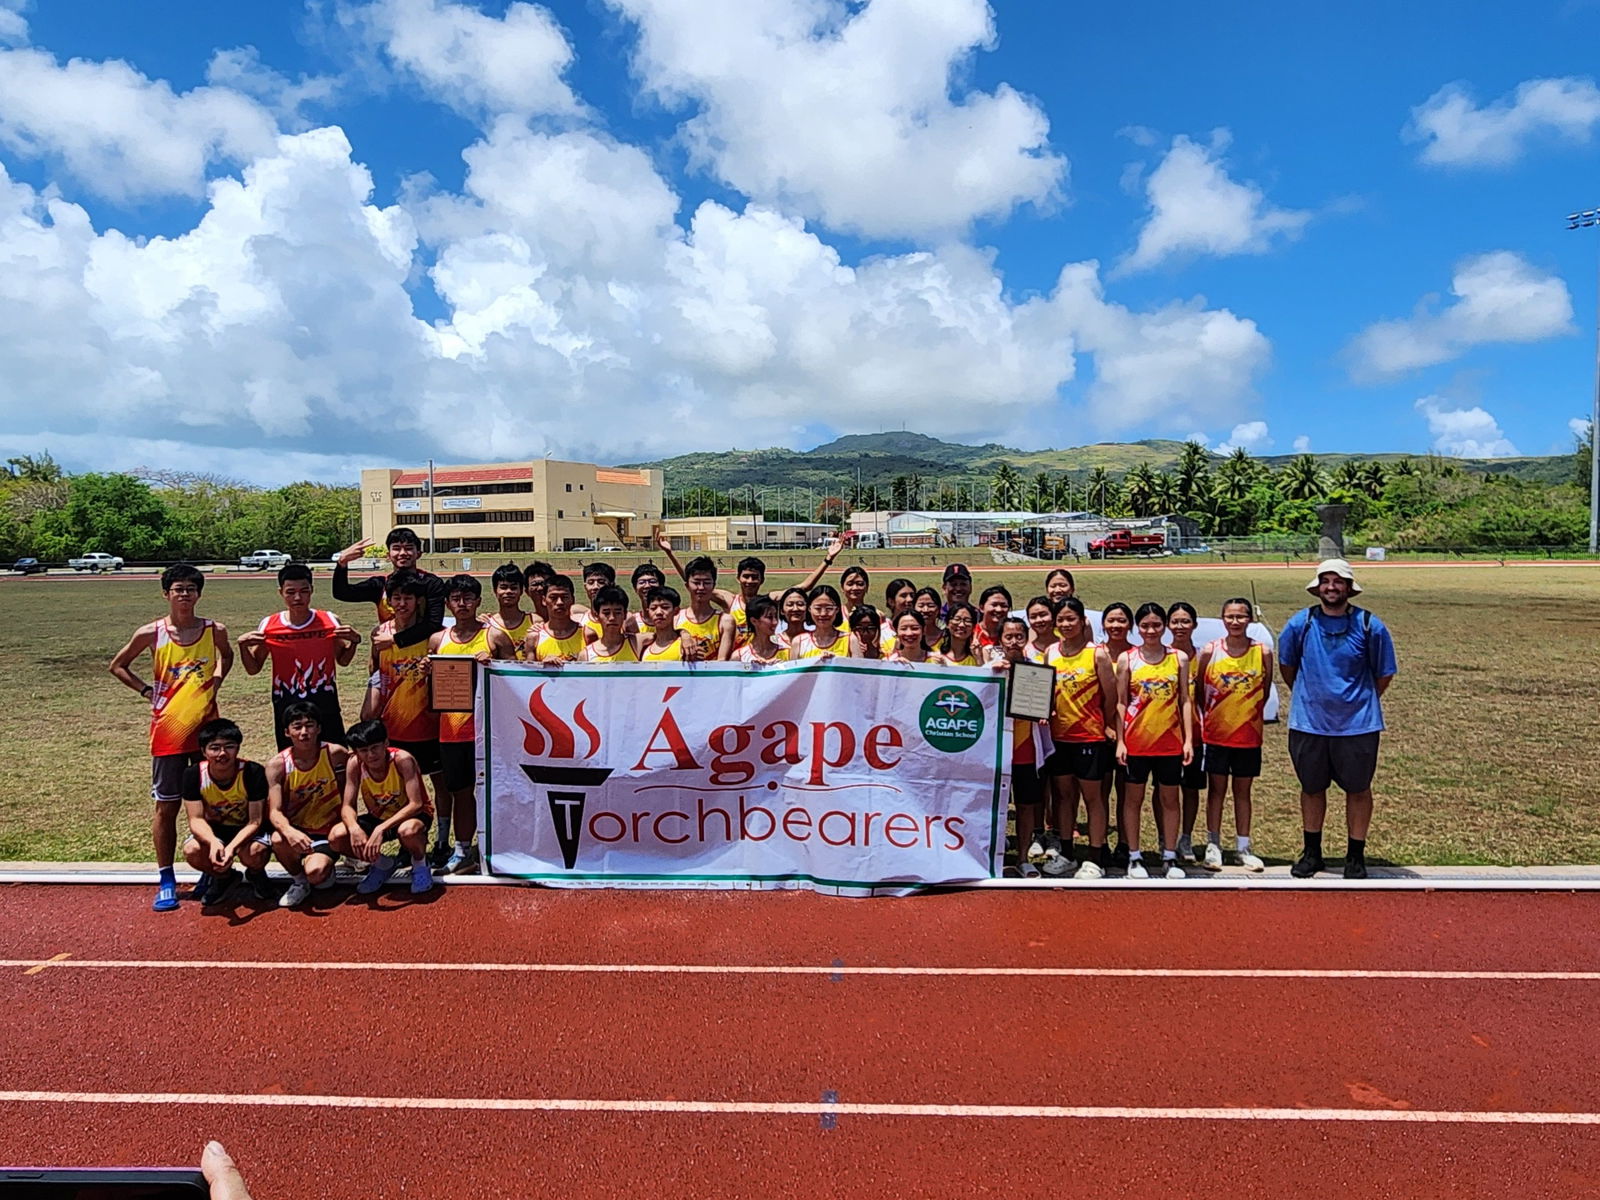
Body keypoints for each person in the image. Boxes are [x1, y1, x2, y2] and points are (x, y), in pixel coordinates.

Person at [109, 563, 234, 913]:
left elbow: (227, 656)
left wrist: (218, 680)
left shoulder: (214, 630)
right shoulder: (152, 633)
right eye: (178, 589)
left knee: (211, 804)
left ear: (199, 593)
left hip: (209, 732)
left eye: (191, 589)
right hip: (168, 733)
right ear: (166, 593)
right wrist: (148, 691)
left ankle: (212, 871)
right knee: (167, 806)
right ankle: (166, 878)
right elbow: (118, 665)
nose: (184, 594)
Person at [1277, 559, 1397, 880]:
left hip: (1358, 725)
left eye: (1338, 581)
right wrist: (1311, 697)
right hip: (1309, 723)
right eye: (1326, 581)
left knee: (1358, 789)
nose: (1332, 587)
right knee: (1312, 788)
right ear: (1317, 587)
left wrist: (1358, 702)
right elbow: (1288, 667)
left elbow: (1383, 673)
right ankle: (1312, 851)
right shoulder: (1299, 624)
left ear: (1349, 588)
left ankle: (1355, 855)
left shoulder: (1371, 625)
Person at [430, 574, 516, 875]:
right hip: (452, 731)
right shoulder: (438, 640)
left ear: (479, 601)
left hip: (489, 732)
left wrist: (496, 664)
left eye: (468, 598)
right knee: (461, 792)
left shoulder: (494, 637)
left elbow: (517, 681)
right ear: (448, 603)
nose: (463, 604)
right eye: (456, 599)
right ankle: (463, 849)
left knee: (498, 791)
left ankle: (502, 847)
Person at [362, 573, 448, 867]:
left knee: (441, 784)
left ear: (418, 601)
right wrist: (370, 707)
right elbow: (374, 671)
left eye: (407, 598)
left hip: (427, 723)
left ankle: (442, 840)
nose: (401, 604)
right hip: (393, 725)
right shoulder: (379, 633)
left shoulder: (432, 635)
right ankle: (405, 845)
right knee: (402, 787)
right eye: (395, 598)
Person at [238, 563, 360, 748]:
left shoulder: (329, 620)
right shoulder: (269, 624)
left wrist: (354, 643)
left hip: (324, 701)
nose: (297, 597)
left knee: (335, 754)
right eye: (290, 592)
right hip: (286, 701)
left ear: (312, 590)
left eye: (304, 591)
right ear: (281, 592)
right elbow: (254, 668)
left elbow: (343, 660)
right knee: (291, 757)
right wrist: (242, 646)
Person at [1115, 603, 1195, 880]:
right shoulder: (1128, 659)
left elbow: (1185, 700)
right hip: (1137, 742)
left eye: (1156, 625)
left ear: (1164, 626)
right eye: (1145, 626)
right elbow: (1122, 703)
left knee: (1170, 799)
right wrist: (1121, 742)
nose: (1151, 631)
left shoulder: (1179, 658)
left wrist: (1188, 741)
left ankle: (1170, 856)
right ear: (1138, 628)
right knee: (1133, 800)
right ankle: (1134, 856)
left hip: (1170, 743)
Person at [1192, 598, 1272, 872]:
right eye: (1230, 617)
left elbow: (1265, 687)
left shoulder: (1262, 652)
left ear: (1249, 619)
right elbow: (1200, 693)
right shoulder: (1210, 651)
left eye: (1241, 616)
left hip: (1248, 736)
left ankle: (1242, 847)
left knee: (1243, 792)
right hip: (1216, 735)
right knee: (1216, 791)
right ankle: (1213, 845)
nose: (1235, 622)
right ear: (1222, 619)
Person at [1043, 598, 1119, 879]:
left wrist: (1107, 724)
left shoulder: (1096, 654)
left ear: (1082, 621)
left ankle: (1095, 857)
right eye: (1060, 620)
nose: (1065, 624)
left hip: (1089, 737)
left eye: (1071, 619)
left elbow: (1111, 696)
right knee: (1064, 797)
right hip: (1059, 736)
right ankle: (1067, 853)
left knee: (1093, 797)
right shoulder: (1051, 652)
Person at [333, 719, 435, 895]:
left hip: (411, 816)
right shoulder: (354, 764)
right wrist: (354, 827)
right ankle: (382, 865)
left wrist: (381, 829)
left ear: (386, 743)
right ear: (356, 752)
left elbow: (416, 804)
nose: (371, 755)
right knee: (337, 836)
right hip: (379, 817)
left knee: (408, 831)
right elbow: (347, 806)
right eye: (363, 751)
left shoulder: (402, 760)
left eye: (375, 748)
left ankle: (420, 863)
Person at [180, 718, 272, 906]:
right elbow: (196, 819)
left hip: (247, 830)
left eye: (229, 746)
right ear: (204, 751)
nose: (222, 753)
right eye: (215, 748)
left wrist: (231, 848)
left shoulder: (252, 772)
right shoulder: (193, 774)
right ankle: (224, 877)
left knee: (255, 853)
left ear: (238, 748)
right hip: (216, 831)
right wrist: (213, 843)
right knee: (192, 851)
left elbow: (255, 820)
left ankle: (256, 874)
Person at [265, 701, 349, 908]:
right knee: (278, 838)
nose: (304, 732)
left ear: (319, 728)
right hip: (298, 831)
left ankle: (324, 866)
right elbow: (274, 811)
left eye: (309, 725)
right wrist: (290, 832)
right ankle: (299, 881)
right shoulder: (277, 765)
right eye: (297, 727)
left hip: (329, 831)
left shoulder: (336, 754)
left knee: (317, 874)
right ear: (286, 732)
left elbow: (350, 790)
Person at [993, 615, 1045, 878]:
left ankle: (1023, 857)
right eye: (1008, 636)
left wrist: (1046, 711)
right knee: (997, 805)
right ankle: (996, 856)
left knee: (1026, 805)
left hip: (1025, 749)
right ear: (1000, 640)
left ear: (1026, 639)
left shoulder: (1036, 670)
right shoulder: (991, 669)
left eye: (1019, 636)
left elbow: (1044, 707)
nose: (1014, 641)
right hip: (997, 750)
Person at [334, 527, 446, 635]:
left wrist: (395, 640)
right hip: (387, 650)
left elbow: (434, 623)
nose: (402, 553)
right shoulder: (379, 585)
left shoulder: (432, 583)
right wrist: (342, 563)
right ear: (388, 555)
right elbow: (342, 593)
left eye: (408, 548)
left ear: (418, 554)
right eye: (396, 548)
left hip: (423, 651)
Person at [1166, 601, 1204, 864]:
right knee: (1164, 792)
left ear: (1194, 625)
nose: (1180, 626)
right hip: (1163, 736)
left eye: (1185, 621)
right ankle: (1164, 839)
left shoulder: (1203, 657)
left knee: (1191, 790)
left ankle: (1186, 838)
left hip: (1196, 736)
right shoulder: (1162, 655)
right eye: (1175, 621)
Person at [674, 556, 736, 661]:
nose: (701, 588)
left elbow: (722, 662)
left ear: (713, 585)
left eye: (707, 583)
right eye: (696, 582)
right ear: (687, 586)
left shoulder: (725, 621)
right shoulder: (675, 619)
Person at [527, 575, 586, 662]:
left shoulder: (587, 634)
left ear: (573, 599)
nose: (559, 602)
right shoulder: (534, 637)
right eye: (553, 598)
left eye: (565, 597)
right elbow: (529, 674)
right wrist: (542, 665)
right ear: (544, 600)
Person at [486, 562, 535, 659]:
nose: (508, 592)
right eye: (503, 587)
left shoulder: (535, 621)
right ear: (495, 590)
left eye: (513, 588)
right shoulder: (487, 624)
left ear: (521, 591)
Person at [581, 585, 642, 663]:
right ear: (597, 616)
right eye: (606, 613)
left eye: (617, 613)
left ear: (625, 615)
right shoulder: (586, 655)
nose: (612, 618)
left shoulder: (637, 643)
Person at [791, 585, 849, 658]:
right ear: (809, 609)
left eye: (829, 608)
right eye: (818, 608)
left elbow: (859, 667)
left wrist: (836, 661)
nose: (823, 613)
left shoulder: (850, 640)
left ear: (837, 609)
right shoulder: (799, 642)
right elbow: (794, 669)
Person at [639, 586, 691, 662]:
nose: (659, 612)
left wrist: (685, 635)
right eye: (653, 608)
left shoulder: (687, 646)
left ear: (676, 611)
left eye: (665, 607)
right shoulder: (642, 647)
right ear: (648, 612)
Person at [735, 595, 789, 665]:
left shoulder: (787, 652)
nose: (775, 622)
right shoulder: (739, 657)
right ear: (754, 621)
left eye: (776, 616)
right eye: (769, 617)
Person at [574, 561, 618, 641]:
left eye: (601, 582)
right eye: (591, 582)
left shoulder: (623, 620)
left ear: (611, 584)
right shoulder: (578, 621)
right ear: (585, 586)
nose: (595, 587)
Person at [879, 577, 916, 654]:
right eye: (904, 596)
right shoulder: (881, 632)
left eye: (912, 595)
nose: (910, 599)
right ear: (891, 601)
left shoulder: (920, 630)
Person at [975, 585, 1013, 651]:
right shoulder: (971, 633)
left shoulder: (1014, 634)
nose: (999, 609)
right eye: (994, 605)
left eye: (1003, 606)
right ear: (981, 607)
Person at [1023, 595, 1059, 662]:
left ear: (1053, 617)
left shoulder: (1065, 647)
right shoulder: (1026, 652)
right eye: (1033, 617)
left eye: (1043, 615)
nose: (1038, 620)